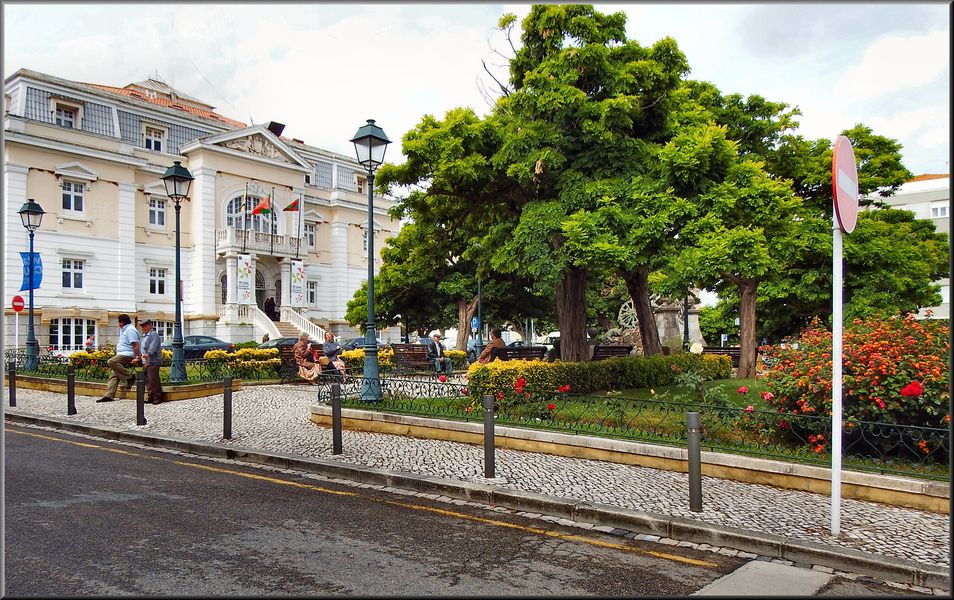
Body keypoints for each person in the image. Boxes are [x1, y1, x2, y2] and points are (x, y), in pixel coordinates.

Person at [97, 313, 140, 403]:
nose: (118, 324)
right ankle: (109, 395)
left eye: (119, 322)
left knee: (111, 362)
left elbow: (135, 345)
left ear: (122, 322)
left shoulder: (130, 330)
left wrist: (137, 358)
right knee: (114, 374)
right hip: (121, 354)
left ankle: (130, 377)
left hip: (128, 355)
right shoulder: (124, 330)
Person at [139, 319, 163, 405]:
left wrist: (148, 354)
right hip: (146, 361)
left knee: (153, 380)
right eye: (142, 327)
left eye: (145, 326)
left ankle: (158, 397)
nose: (144, 328)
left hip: (153, 361)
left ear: (150, 326)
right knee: (147, 380)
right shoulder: (145, 336)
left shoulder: (153, 335)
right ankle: (151, 396)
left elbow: (153, 347)